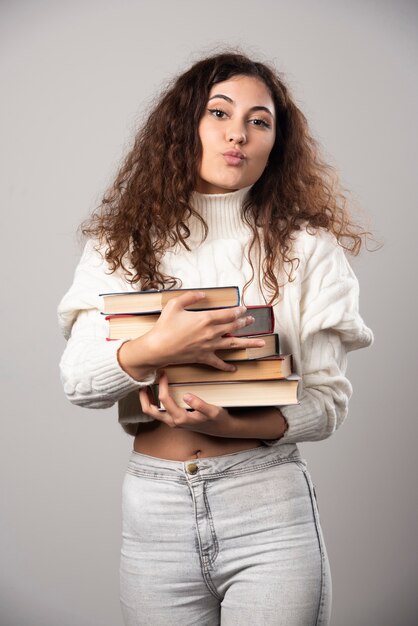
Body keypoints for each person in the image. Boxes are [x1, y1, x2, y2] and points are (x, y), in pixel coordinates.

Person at [58, 52, 373, 626]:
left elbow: (327, 406)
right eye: (218, 112)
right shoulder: (118, 244)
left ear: (276, 143)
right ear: (184, 127)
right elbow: (79, 382)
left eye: (260, 120)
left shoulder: (311, 252)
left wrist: (227, 424)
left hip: (268, 509)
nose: (238, 134)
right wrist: (157, 350)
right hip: (153, 514)